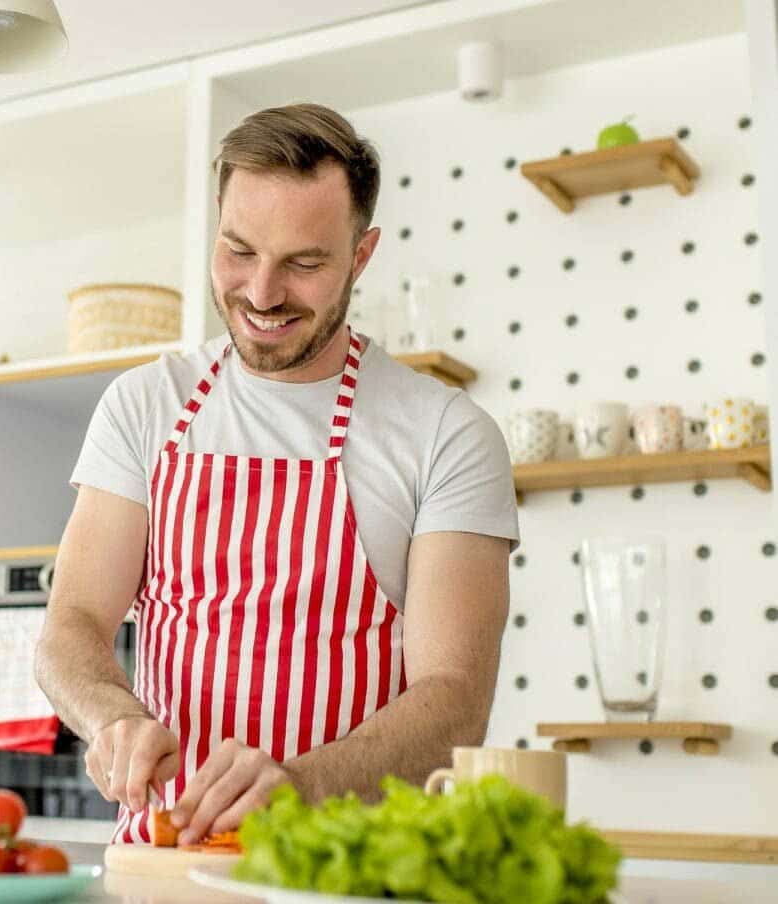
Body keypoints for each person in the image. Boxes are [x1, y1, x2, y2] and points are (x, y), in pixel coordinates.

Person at [35, 104, 519, 846]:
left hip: (352, 874)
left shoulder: (445, 433)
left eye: (304, 263)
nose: (261, 293)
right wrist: (113, 717)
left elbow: (454, 700)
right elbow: (70, 624)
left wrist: (301, 787)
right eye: (239, 251)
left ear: (361, 256)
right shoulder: (146, 404)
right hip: (165, 864)